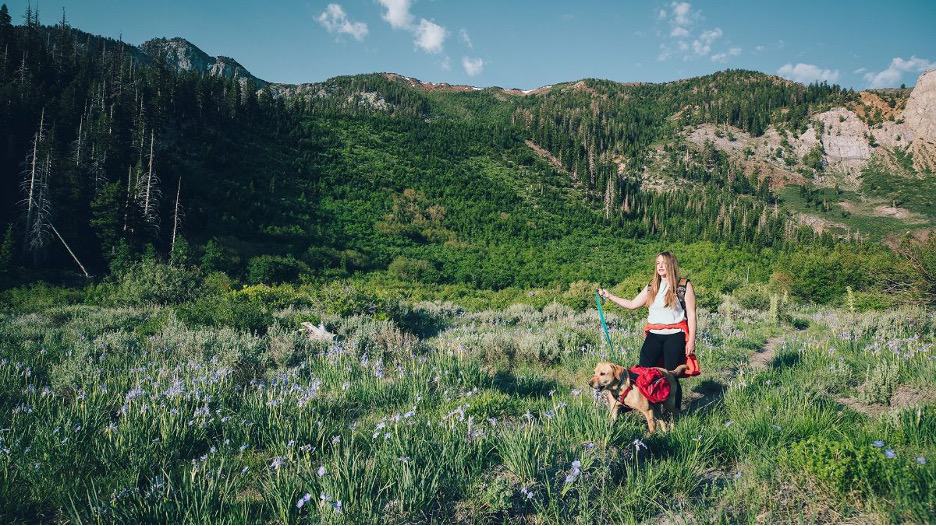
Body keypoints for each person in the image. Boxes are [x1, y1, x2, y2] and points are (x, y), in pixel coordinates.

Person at [596, 251, 697, 410]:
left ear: (671, 264)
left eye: (664, 263)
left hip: (675, 336)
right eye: (658, 263)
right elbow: (632, 304)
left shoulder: (683, 285)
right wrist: (610, 296)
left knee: (671, 376)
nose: (660, 266)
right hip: (654, 336)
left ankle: (673, 413)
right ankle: (648, 408)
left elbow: (691, 314)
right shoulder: (652, 285)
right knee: (643, 374)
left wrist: (691, 340)